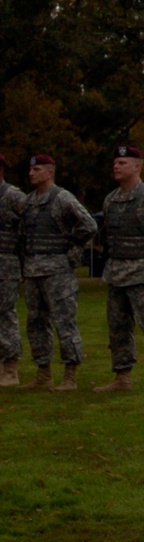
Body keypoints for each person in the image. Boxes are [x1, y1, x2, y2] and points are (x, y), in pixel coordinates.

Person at [93, 145, 144, 395]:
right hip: (117, 272)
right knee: (117, 326)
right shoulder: (111, 199)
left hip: (143, 271)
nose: (116, 167)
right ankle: (122, 376)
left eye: (123, 163)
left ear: (137, 166)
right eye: (115, 164)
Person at [20, 153, 96, 391]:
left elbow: (88, 225)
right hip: (33, 271)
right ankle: (43, 372)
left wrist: (69, 244)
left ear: (49, 172)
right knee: (35, 322)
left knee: (64, 322)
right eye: (31, 170)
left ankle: (70, 375)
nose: (32, 173)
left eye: (37, 169)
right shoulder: (29, 201)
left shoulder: (62, 198)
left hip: (58, 272)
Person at [0, 155, 26, 388]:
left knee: (5, 314)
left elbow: (33, 225)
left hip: (5, 266)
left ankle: (10, 367)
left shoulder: (13, 197)